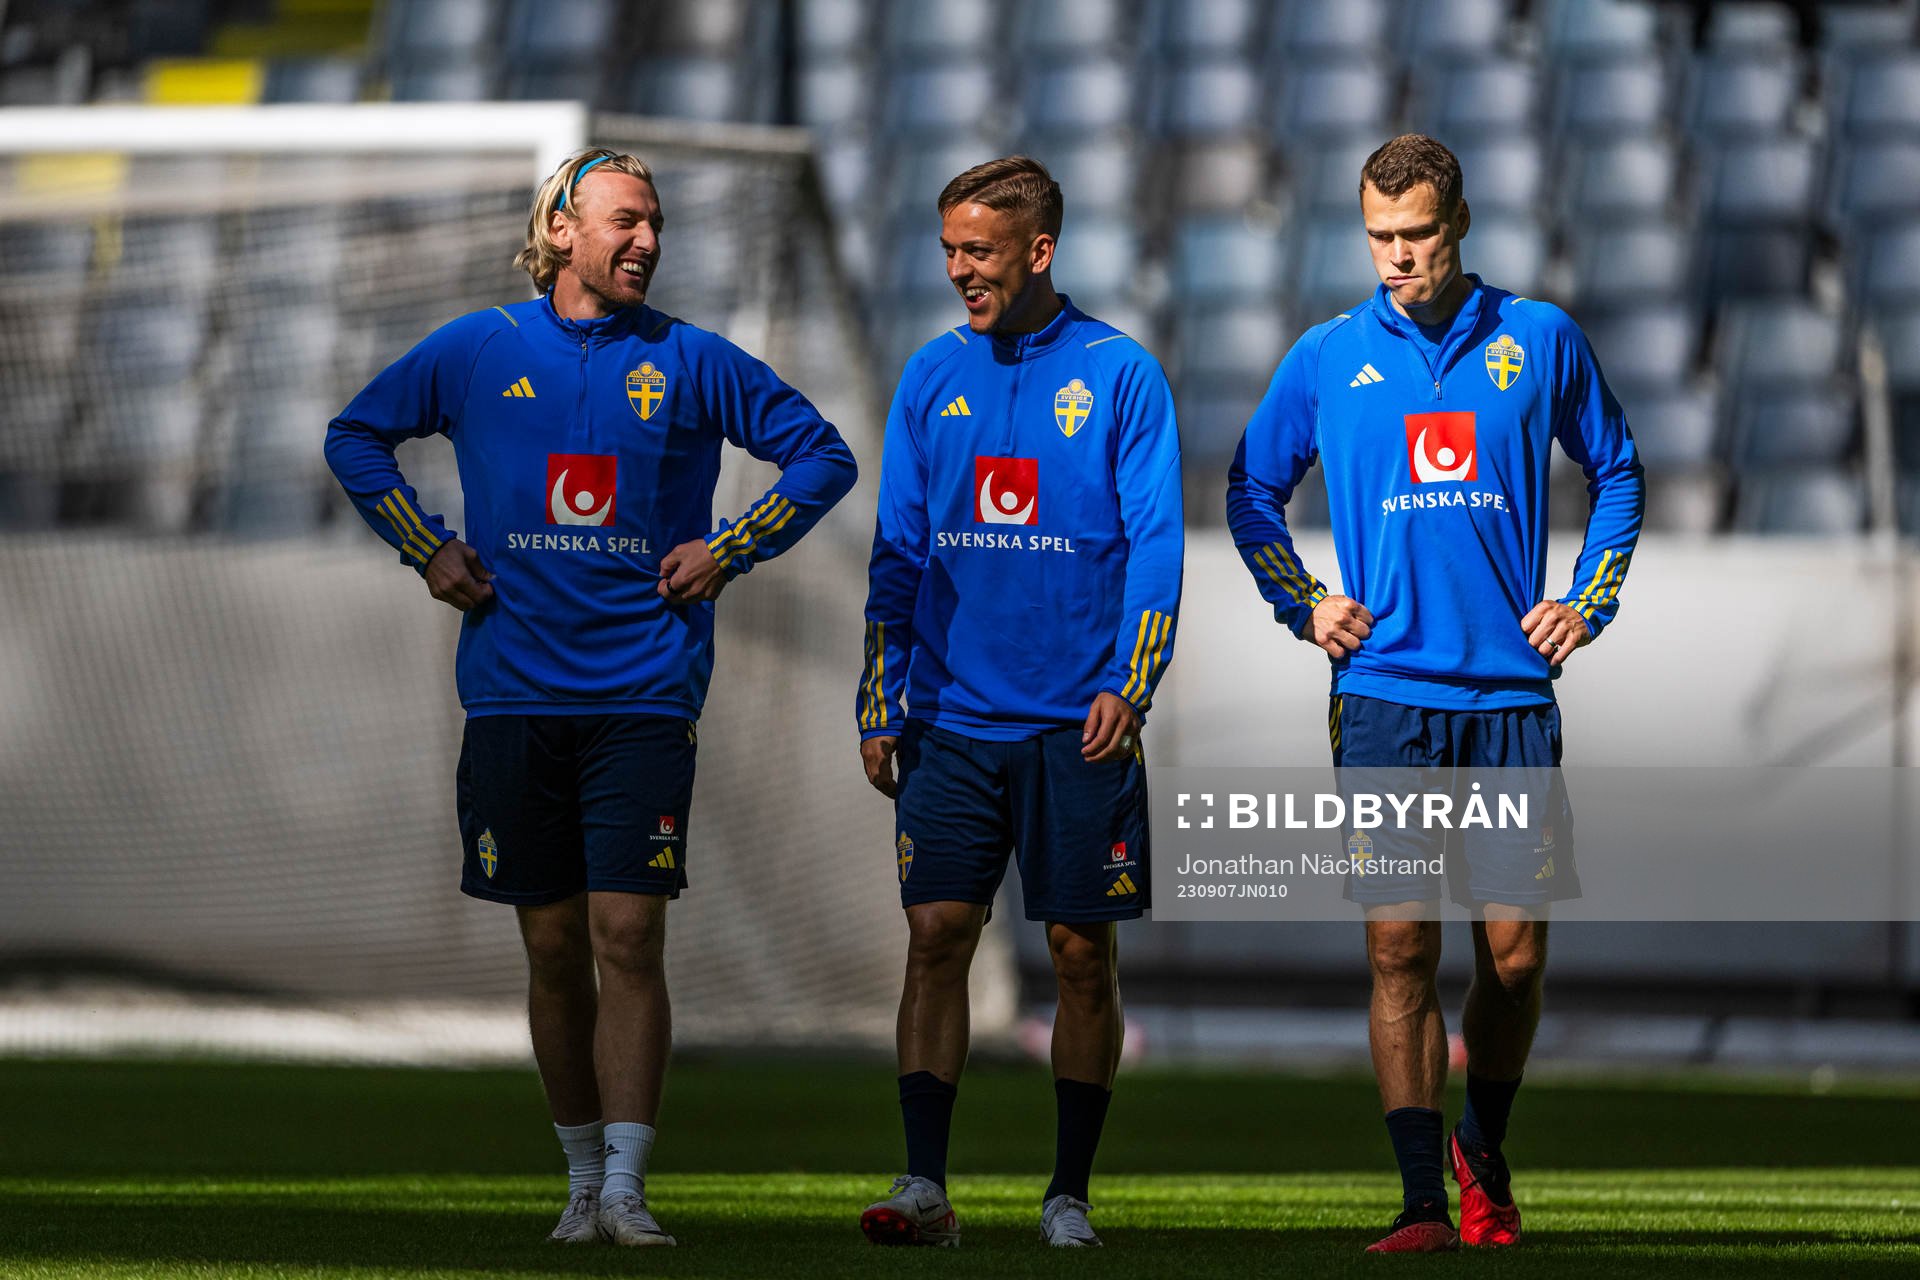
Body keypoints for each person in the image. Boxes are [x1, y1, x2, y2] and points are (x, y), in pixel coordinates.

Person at [324, 148, 856, 1248]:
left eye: (655, 223)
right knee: (554, 944)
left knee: (628, 932)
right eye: (625, 220)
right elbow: (354, 435)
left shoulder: (693, 360)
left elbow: (822, 456)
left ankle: (626, 1182)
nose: (647, 241)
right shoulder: (479, 348)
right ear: (561, 229)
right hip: (513, 694)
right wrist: (427, 548)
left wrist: (730, 546)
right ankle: (577, 1177)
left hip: (645, 693)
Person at [1226, 134, 1644, 1253]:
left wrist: (1586, 602)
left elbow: (1617, 468)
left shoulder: (1539, 336)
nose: (1396, 258)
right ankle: (1420, 1199)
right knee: (1399, 949)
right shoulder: (1326, 355)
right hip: (1382, 695)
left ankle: (1482, 1145)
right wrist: (1305, 600)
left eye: (1417, 237)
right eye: (1379, 238)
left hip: (1509, 695)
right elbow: (1252, 489)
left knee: (1514, 955)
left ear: (1459, 227)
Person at [854, 156, 1183, 1250]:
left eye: (979, 251)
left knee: (1082, 952)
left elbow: (1154, 548)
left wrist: (1130, 683)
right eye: (948, 249)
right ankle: (923, 1186)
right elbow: (897, 550)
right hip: (949, 717)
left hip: (1077, 721)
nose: (959, 270)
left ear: (1039, 250)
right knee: (936, 934)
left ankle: (1069, 1192)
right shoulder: (929, 376)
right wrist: (878, 695)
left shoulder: (1121, 374)